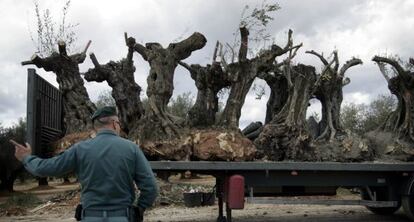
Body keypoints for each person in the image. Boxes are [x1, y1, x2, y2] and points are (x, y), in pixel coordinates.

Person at [11, 106, 158, 222]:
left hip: (90, 217)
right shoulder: (131, 148)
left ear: (96, 127)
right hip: (123, 217)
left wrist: (26, 158)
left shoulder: (80, 149)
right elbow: (150, 187)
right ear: (114, 124)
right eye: (119, 123)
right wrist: (140, 209)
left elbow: (46, 168)